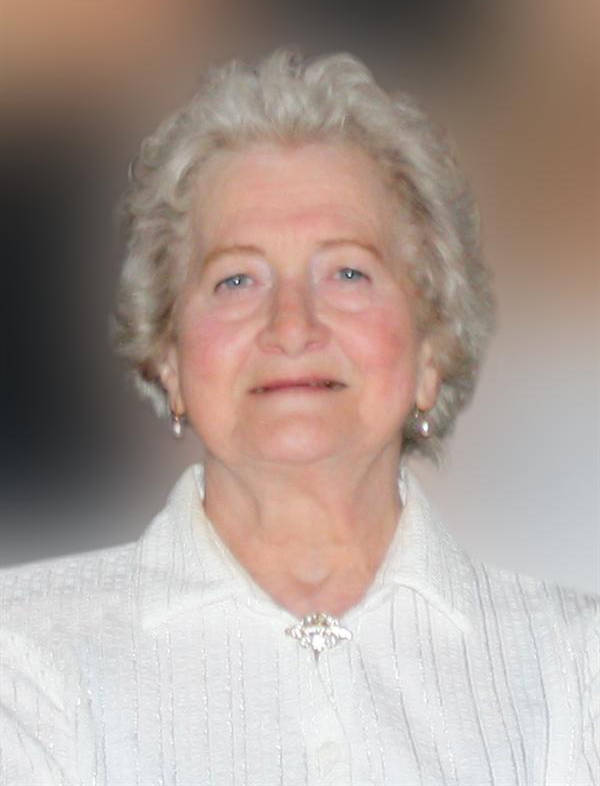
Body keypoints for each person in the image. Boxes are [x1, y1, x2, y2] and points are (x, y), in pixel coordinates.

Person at [0, 50, 597, 786]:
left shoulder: (577, 668)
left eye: (347, 272)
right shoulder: (24, 655)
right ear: (168, 357)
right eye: (236, 279)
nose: (291, 325)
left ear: (433, 349)